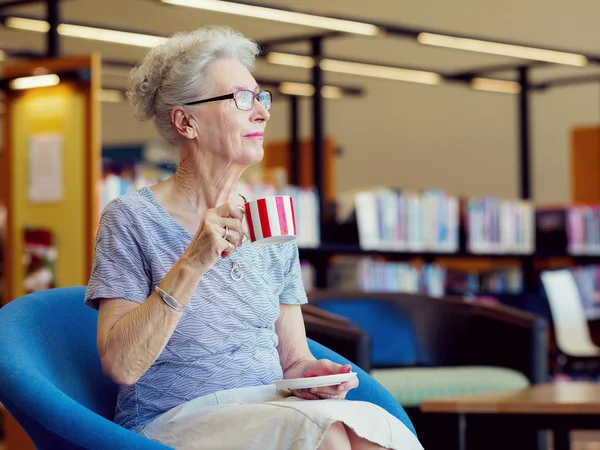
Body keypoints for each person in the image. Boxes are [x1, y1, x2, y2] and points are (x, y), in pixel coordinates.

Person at [85, 25, 423, 450]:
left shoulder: (270, 222)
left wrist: (311, 374)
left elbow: (292, 359)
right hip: (174, 421)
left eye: (261, 98)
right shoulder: (131, 218)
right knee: (328, 435)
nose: (262, 112)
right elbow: (121, 365)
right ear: (186, 121)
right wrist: (193, 262)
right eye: (241, 100)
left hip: (269, 408)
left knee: (375, 430)